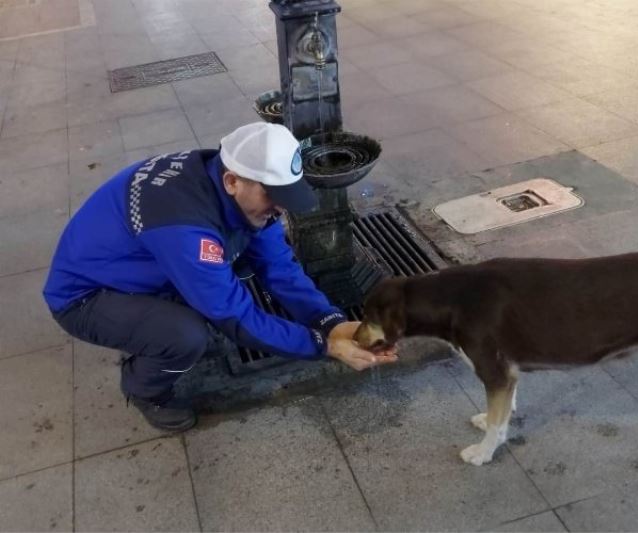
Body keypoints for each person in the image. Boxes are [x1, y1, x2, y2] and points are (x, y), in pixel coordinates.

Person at [43, 122, 397, 431]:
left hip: (141, 267)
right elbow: (235, 315)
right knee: (184, 336)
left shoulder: (224, 175)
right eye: (274, 195)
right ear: (232, 182)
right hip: (86, 296)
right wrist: (322, 346)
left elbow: (280, 268)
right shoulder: (184, 225)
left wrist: (330, 322)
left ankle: (155, 319)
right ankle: (144, 389)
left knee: (242, 262)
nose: (281, 207)